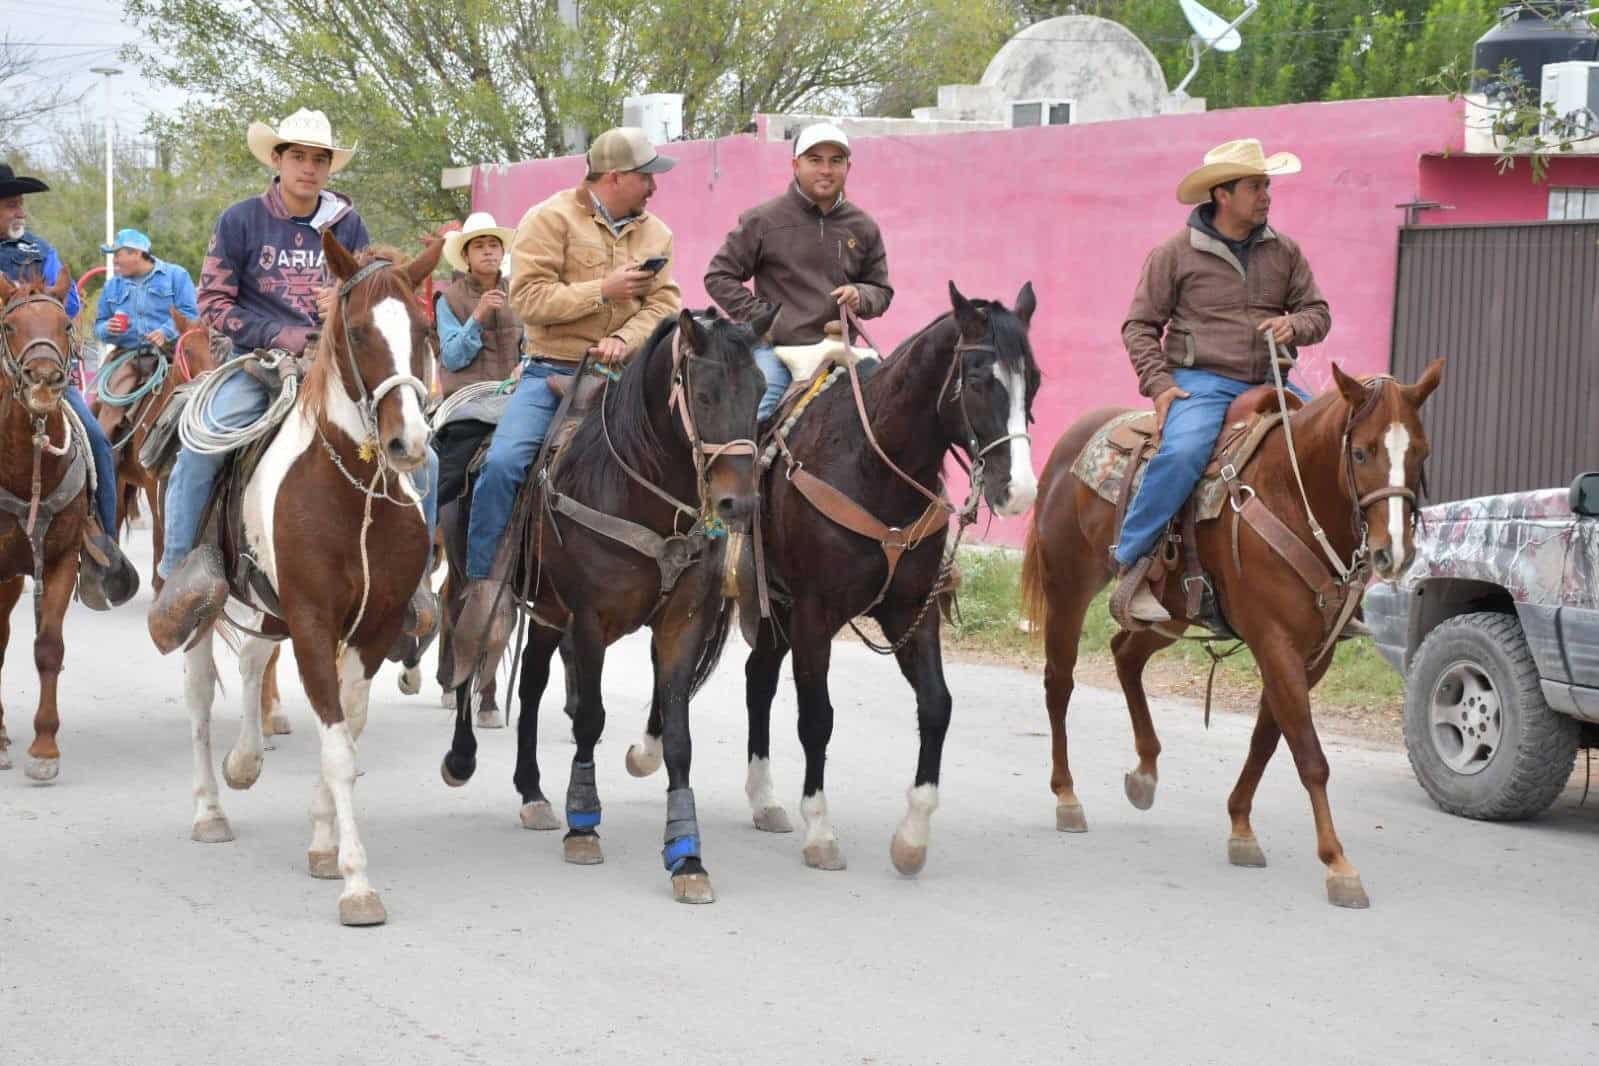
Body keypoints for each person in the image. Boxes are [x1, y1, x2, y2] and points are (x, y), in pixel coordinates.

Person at [148, 108, 439, 648]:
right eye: (299, 157)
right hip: (257, 364)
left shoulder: (349, 224)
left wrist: (342, 303)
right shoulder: (240, 220)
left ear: (329, 168)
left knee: (425, 455)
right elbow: (213, 303)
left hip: (336, 366)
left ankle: (413, 582)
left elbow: (369, 293)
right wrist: (282, 337)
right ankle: (178, 574)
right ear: (277, 160)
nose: (309, 168)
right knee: (202, 444)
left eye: (320, 159)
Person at [448, 126, 682, 682]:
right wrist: (601, 290)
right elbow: (528, 300)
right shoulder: (548, 219)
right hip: (552, 371)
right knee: (503, 464)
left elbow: (667, 303)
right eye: (646, 175)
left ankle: (694, 573)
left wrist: (626, 340)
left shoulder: (658, 233)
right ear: (616, 176)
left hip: (626, 377)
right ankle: (486, 588)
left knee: (693, 455)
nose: (654, 186)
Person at [1113, 138, 1330, 628]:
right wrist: (1160, 384)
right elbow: (1140, 326)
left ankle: (1335, 584)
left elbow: (1319, 313)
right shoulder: (1173, 254)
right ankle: (1134, 565)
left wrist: (1294, 327)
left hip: (1272, 379)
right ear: (1223, 194)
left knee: (1331, 441)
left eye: (1267, 185)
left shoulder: (1285, 251)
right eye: (1256, 186)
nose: (1267, 195)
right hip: (1204, 382)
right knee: (1183, 453)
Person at [0, 162, 138, 607]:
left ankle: (100, 543)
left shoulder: (42, 250)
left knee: (97, 438)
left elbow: (71, 303)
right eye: (9, 203)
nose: (18, 210)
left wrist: (51, 318)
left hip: (40, 368)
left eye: (20, 202)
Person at [704, 122, 891, 420]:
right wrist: (764, 319)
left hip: (840, 350)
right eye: (815, 160)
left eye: (836, 161)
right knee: (757, 416)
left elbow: (881, 290)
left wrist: (861, 295)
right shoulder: (763, 220)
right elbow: (718, 276)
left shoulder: (863, 226)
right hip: (778, 352)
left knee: (890, 415)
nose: (826, 170)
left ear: (848, 166)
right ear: (795, 164)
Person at [432, 211, 521, 507]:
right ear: (467, 256)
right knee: (449, 477)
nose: (487, 251)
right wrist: (478, 316)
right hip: (470, 402)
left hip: (519, 396)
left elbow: (538, 340)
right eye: (479, 245)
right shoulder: (449, 299)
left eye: (493, 245)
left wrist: (527, 364)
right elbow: (453, 358)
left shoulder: (522, 291)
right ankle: (425, 536)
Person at [91, 228, 199, 436]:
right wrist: (107, 328)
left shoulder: (176, 276)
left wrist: (166, 332)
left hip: (176, 354)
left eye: (118, 255)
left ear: (136, 253)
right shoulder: (112, 286)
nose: (114, 262)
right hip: (130, 358)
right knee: (107, 416)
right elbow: (99, 326)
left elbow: (191, 314)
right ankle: (106, 461)